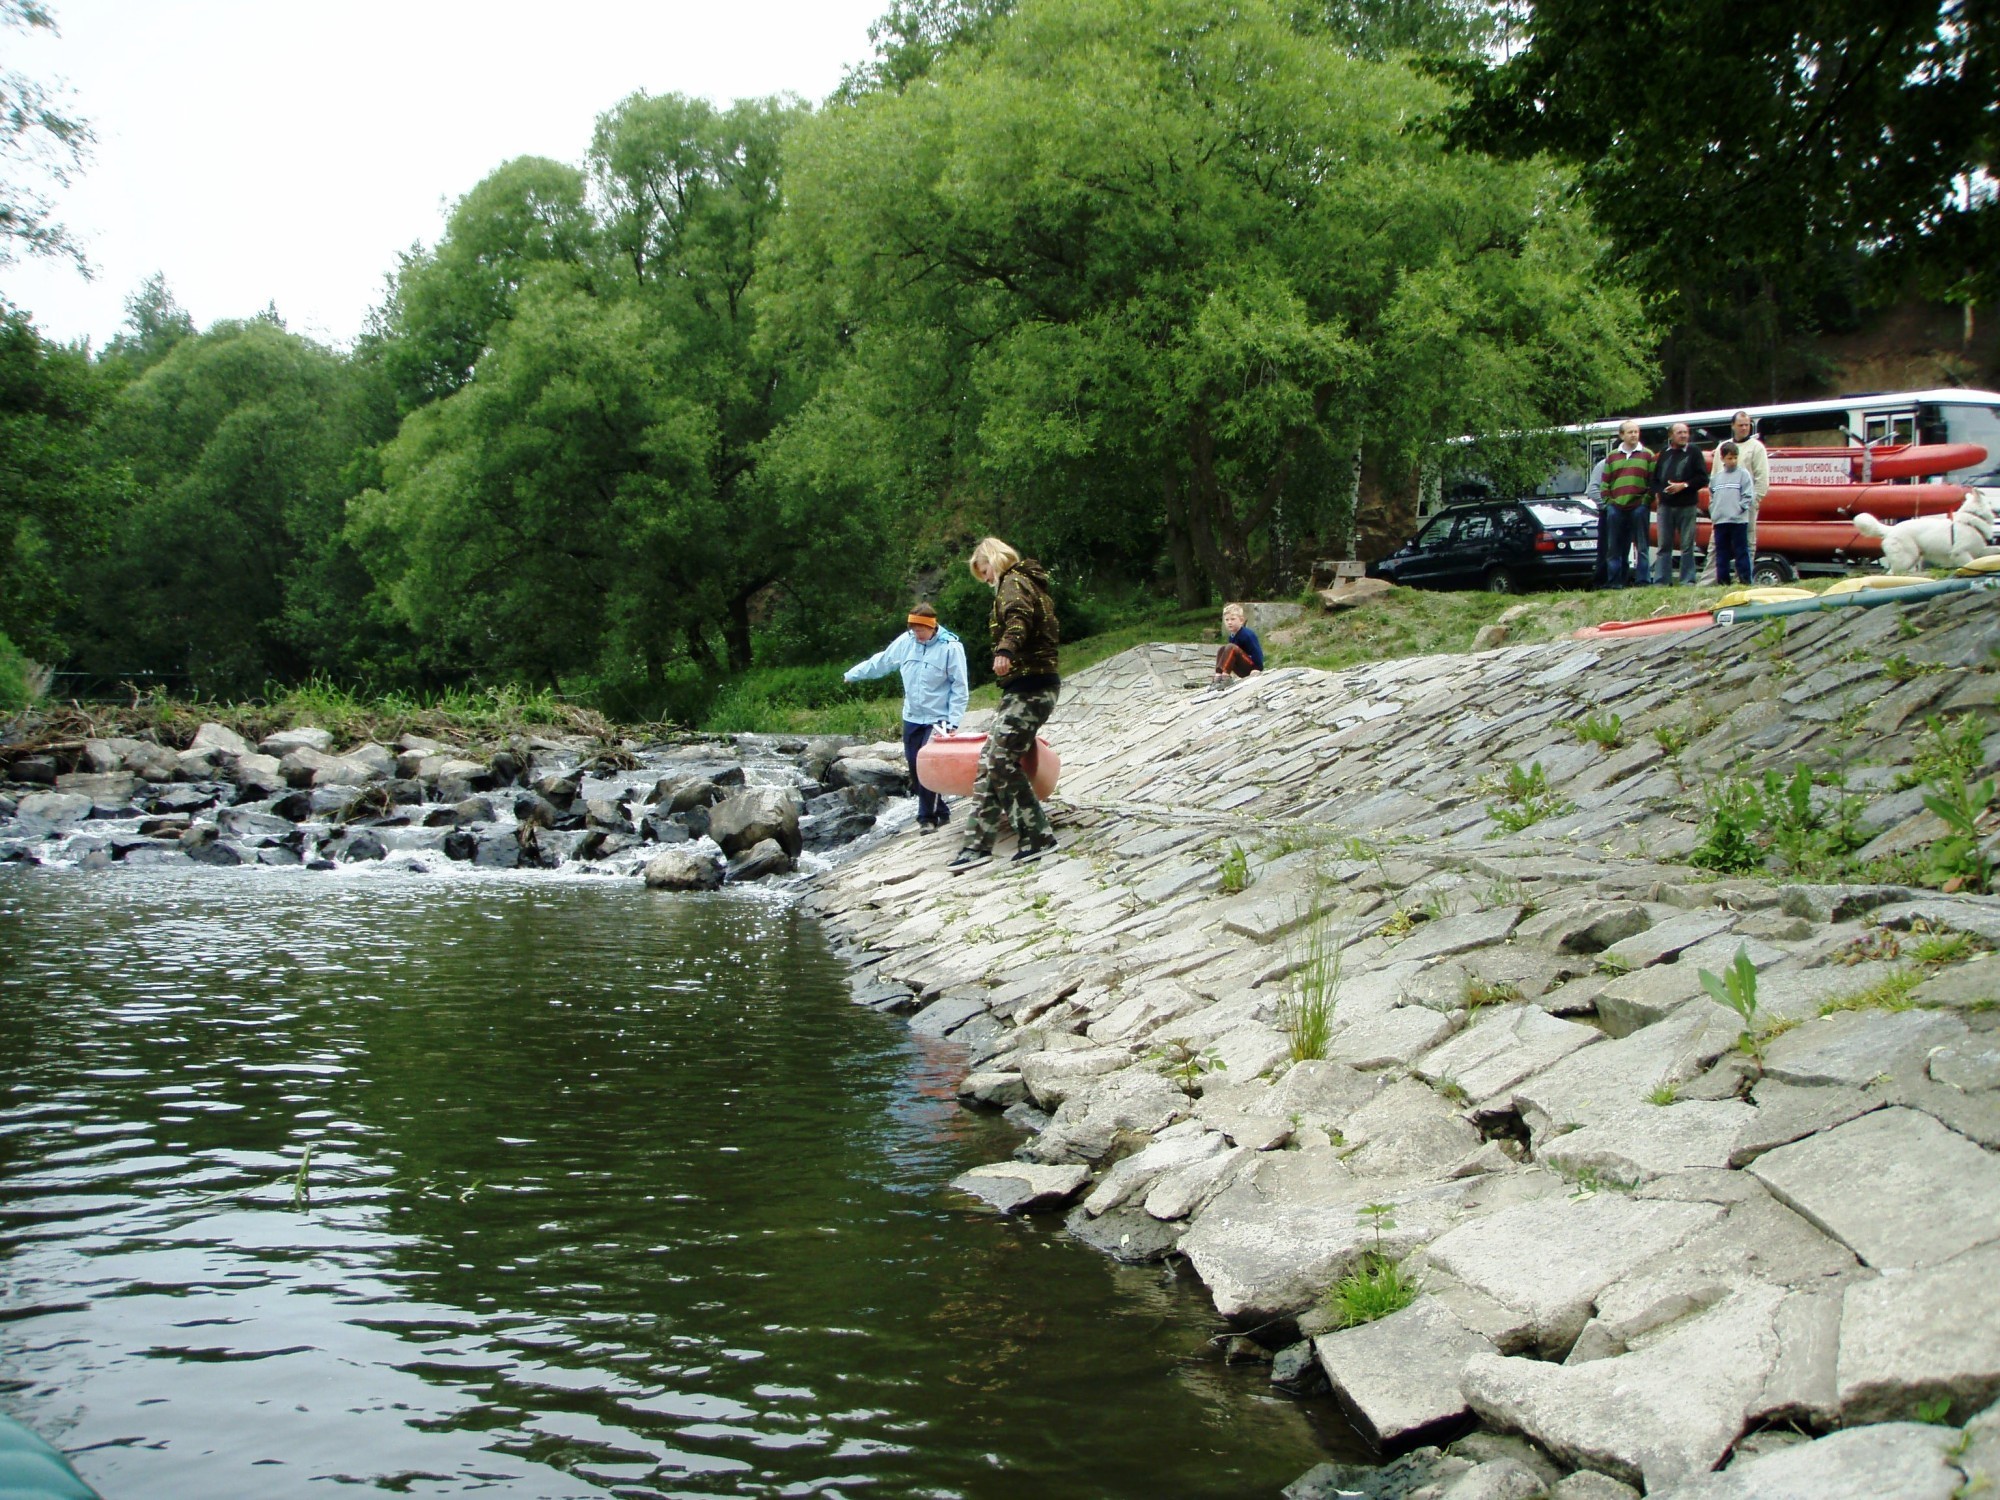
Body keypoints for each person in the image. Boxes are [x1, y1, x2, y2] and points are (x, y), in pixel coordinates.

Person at [948, 537, 1061, 872]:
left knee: (999, 760)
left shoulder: (1013, 583)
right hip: (1023, 687)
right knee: (989, 761)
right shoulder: (1023, 582)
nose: (985, 579)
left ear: (994, 560)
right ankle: (976, 845)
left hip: (1032, 687)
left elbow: (1018, 618)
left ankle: (1037, 836)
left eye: (984, 571)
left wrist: (1005, 650)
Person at [843, 602, 968, 833]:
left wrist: (953, 722)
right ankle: (941, 811)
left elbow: (960, 687)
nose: (917, 635)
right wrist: (853, 674)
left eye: (921, 630)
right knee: (915, 769)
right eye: (914, 630)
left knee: (926, 766)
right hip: (912, 716)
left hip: (938, 718)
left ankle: (926, 819)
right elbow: (882, 662)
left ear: (932, 627)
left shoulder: (950, 648)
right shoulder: (906, 642)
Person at [1600, 421, 1654, 588]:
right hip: (1616, 507)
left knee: (1642, 546)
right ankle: (1615, 582)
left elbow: (1652, 481)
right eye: (1630, 432)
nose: (1634, 435)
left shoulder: (1648, 455)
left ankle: (1642, 581)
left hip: (1639, 506)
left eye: (1636, 432)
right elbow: (1605, 482)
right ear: (1622, 435)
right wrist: (1609, 502)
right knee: (1614, 547)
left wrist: (1645, 501)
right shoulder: (1612, 456)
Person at [1651, 421, 1706, 585]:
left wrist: (1684, 485)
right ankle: (1662, 581)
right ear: (1671, 435)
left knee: (1687, 545)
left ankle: (1687, 580)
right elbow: (1655, 479)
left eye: (1685, 432)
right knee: (1664, 545)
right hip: (1665, 506)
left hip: (1687, 505)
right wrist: (1658, 493)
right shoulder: (1664, 453)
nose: (1683, 436)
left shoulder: (1694, 452)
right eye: (1679, 433)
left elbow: (1702, 477)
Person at [1707, 441, 1755, 585]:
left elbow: (1748, 495)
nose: (1733, 461)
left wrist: (1739, 508)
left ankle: (1745, 580)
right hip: (1720, 521)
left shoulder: (1743, 474)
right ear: (1722, 458)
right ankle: (1723, 581)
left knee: (1741, 551)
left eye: (1735, 458)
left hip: (1738, 521)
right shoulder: (1716, 478)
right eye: (1729, 458)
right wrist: (1714, 512)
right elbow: (1712, 497)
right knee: (1722, 553)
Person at [1728, 410, 1770, 562]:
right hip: (1726, 503)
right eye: (1741, 425)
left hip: (1747, 503)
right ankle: (1717, 574)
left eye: (1747, 425)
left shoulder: (1757, 448)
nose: (1744, 428)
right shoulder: (1724, 447)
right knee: (1719, 543)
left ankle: (1744, 573)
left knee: (1747, 542)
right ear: (1733, 426)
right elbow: (1716, 475)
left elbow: (1762, 477)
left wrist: (1754, 500)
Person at [1213, 603, 1264, 687]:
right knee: (1223, 649)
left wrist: (1257, 668)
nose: (1229, 622)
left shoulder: (1247, 635)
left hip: (1251, 668)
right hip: (1240, 667)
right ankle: (1218, 675)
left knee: (1230, 647)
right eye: (1227, 620)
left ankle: (1226, 677)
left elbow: (1257, 652)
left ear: (1241, 620)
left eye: (1233, 619)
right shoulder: (1232, 636)